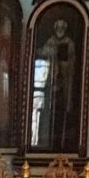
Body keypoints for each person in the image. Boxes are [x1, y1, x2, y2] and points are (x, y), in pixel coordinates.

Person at [35, 17, 78, 153]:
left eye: (62, 27)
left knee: (63, 110)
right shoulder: (51, 42)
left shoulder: (69, 43)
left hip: (64, 81)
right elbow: (43, 53)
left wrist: (63, 65)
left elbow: (71, 62)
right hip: (51, 81)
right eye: (58, 27)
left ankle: (63, 141)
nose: (60, 30)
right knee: (50, 109)